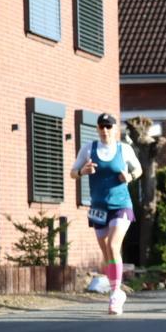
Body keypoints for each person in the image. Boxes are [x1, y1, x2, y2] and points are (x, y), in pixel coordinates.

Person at [70, 113, 143, 315]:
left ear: (115, 129)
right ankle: (116, 291)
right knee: (107, 253)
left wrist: (129, 176)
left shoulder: (123, 149)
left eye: (109, 127)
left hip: (121, 205)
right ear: (97, 129)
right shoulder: (88, 149)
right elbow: (72, 172)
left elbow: (138, 170)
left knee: (113, 245)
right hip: (98, 208)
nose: (105, 130)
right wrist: (83, 171)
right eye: (102, 127)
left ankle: (115, 293)